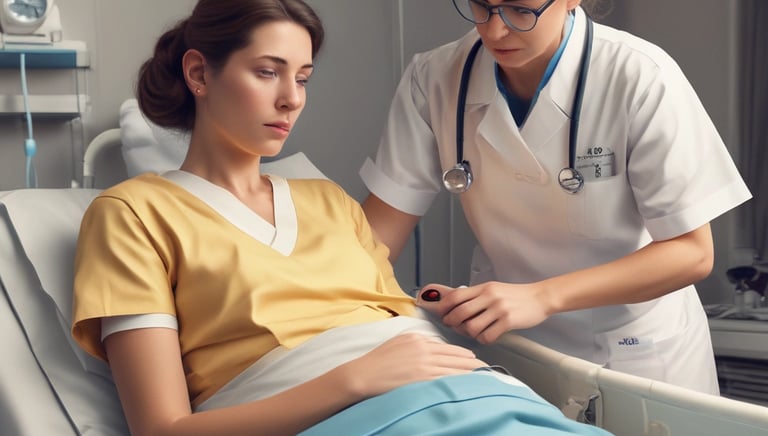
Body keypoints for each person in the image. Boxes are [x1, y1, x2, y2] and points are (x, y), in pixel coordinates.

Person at [70, 0, 614, 434]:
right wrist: (354, 379)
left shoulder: (327, 201)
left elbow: (394, 323)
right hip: (355, 414)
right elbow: (163, 429)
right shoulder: (132, 215)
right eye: (267, 72)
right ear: (199, 73)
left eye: (303, 78)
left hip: (481, 398)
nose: (291, 100)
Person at [360, 0, 751, 396]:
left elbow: (692, 252)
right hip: (511, 343)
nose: (495, 30)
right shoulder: (435, 76)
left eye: (520, 9)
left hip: (634, 352)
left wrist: (542, 296)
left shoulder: (640, 75)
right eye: (481, 6)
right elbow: (378, 237)